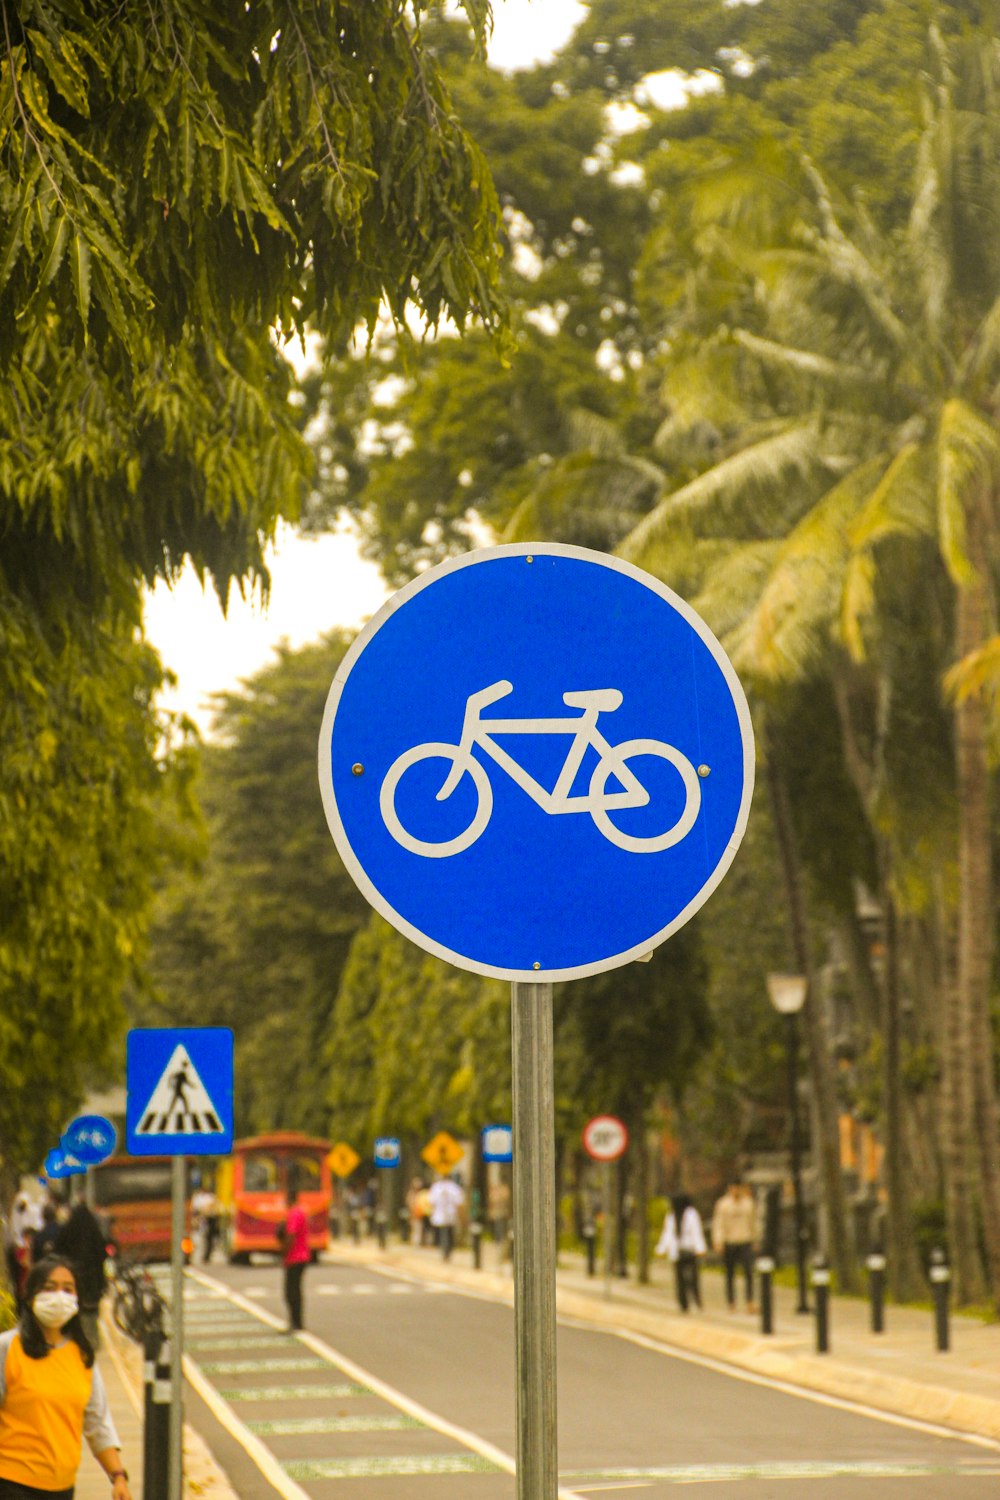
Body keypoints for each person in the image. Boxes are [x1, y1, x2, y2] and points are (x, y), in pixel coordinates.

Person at [0, 1255, 133, 1499]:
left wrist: (118, 1476)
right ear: (30, 1297)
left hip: (61, 1487)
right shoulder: (8, 1348)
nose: (59, 1296)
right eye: (49, 1288)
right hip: (11, 1483)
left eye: (68, 1289)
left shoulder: (81, 1356)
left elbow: (97, 1421)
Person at [53, 1200, 108, 1353]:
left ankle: (77, 1342)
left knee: (74, 1312)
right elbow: (102, 1253)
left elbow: (58, 1251)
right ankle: (92, 1342)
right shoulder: (94, 1230)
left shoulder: (69, 1230)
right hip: (93, 1281)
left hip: (73, 1279)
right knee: (91, 1313)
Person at [711, 1179, 757, 1312]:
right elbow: (718, 1224)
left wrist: (755, 1240)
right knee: (730, 1274)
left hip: (745, 1240)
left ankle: (749, 1301)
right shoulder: (723, 1204)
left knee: (748, 1272)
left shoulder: (748, 1204)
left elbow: (753, 1222)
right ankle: (731, 1302)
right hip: (729, 1242)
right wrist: (718, 1241)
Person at [655, 1194, 707, 1312]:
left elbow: (696, 1232)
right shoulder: (671, 1216)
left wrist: (700, 1248)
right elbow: (667, 1234)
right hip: (677, 1251)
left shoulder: (691, 1214)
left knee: (693, 1277)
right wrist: (661, 1248)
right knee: (679, 1279)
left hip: (689, 1249)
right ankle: (683, 1303)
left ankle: (696, 1300)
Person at [281, 1183, 310, 1333]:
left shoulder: (294, 1213)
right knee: (295, 1290)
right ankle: (297, 1322)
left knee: (291, 1292)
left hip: (295, 1257)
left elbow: (291, 1235)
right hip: (301, 1256)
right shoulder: (300, 1212)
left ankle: (296, 1322)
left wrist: (283, 1250)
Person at [428, 1173, 465, 1261]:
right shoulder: (453, 1188)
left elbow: (431, 1201)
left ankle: (446, 1253)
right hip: (447, 1215)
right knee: (447, 1234)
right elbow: (459, 1202)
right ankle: (446, 1253)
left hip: (446, 1215)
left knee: (445, 1234)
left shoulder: (437, 1187)